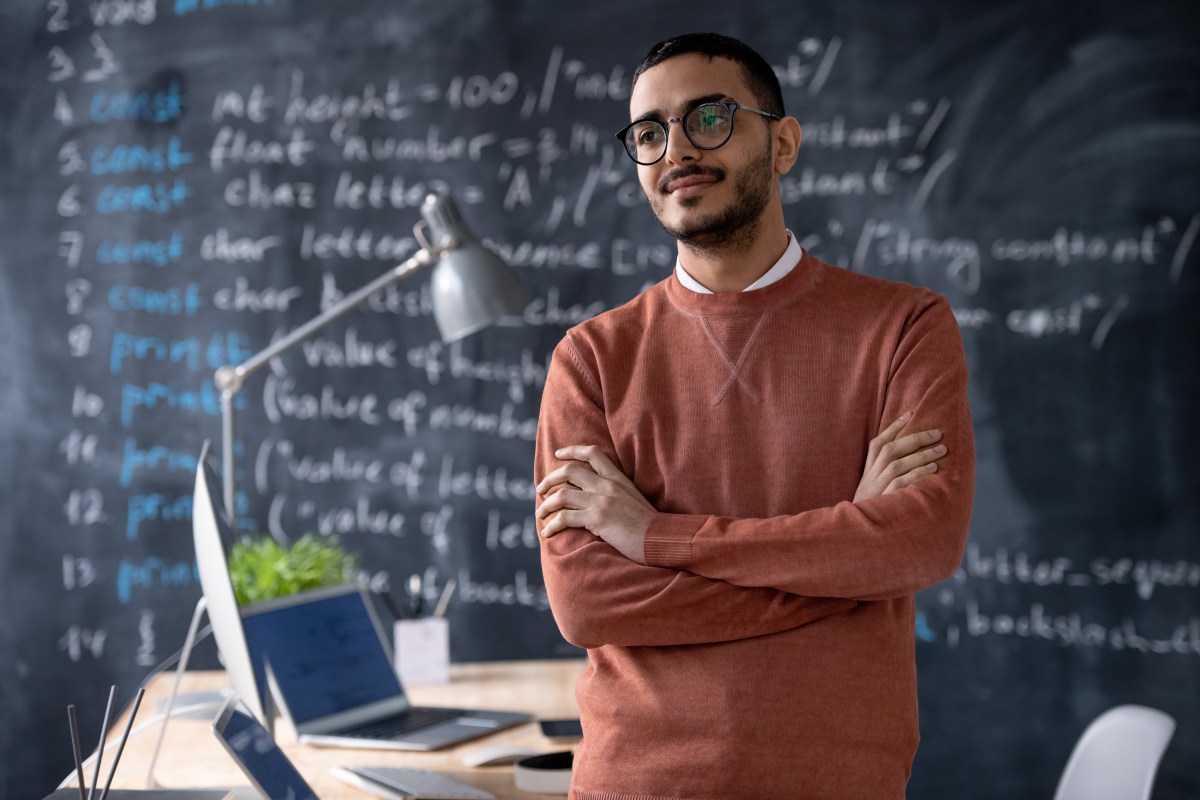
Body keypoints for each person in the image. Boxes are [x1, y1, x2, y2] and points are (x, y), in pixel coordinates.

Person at [533, 31, 974, 800]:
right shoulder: (592, 358)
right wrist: (846, 556)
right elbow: (587, 600)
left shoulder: (904, 326)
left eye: (709, 117)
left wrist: (656, 537)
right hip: (637, 784)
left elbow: (919, 541)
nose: (677, 149)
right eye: (649, 132)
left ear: (783, 142)